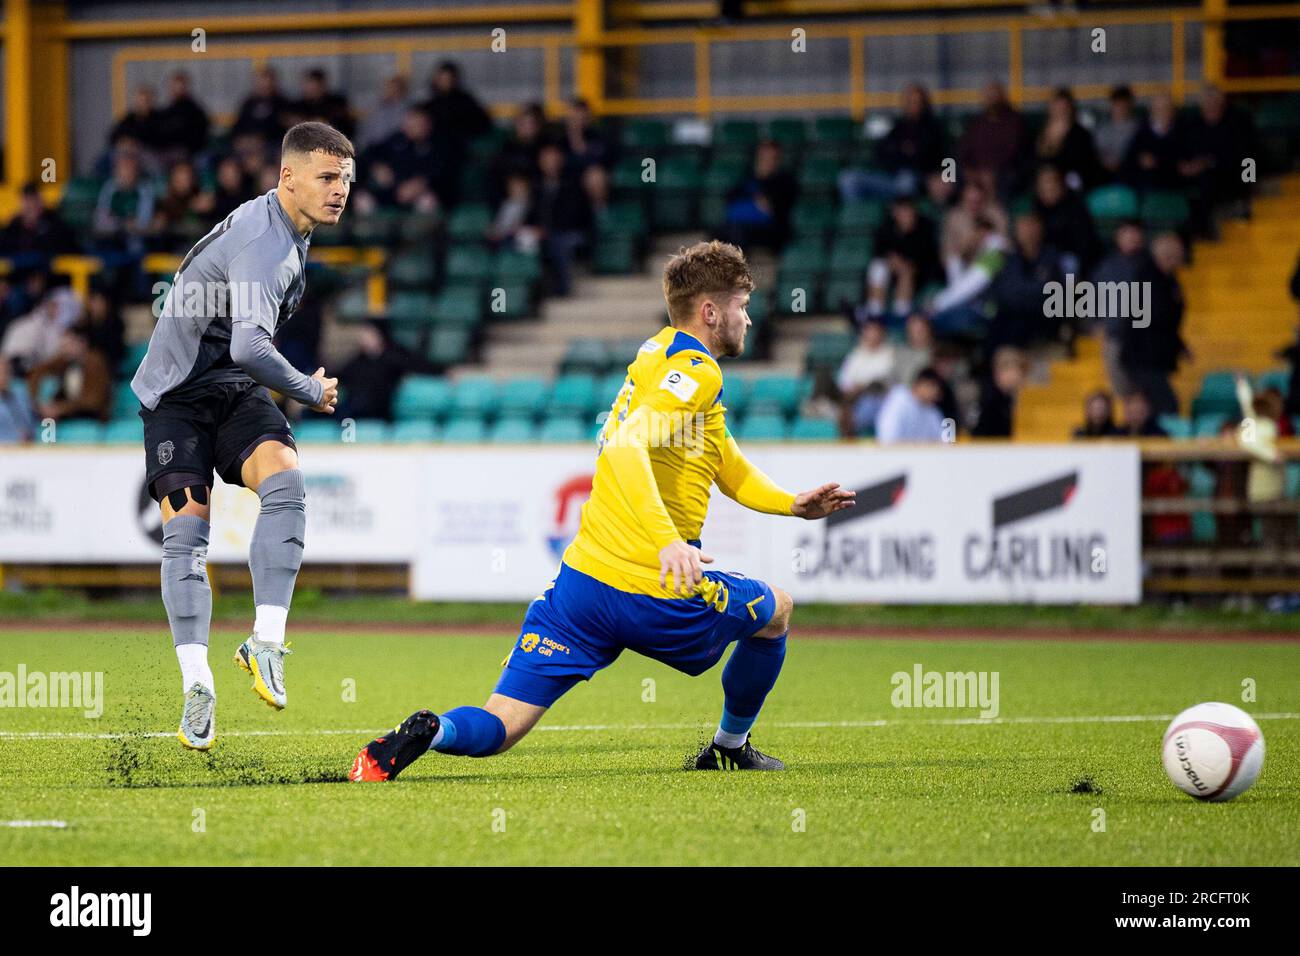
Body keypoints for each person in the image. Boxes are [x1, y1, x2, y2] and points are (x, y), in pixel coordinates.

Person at [350, 240, 856, 780]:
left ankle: (432, 730)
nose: (748, 318)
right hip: (653, 588)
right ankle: (730, 746)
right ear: (711, 311)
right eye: (741, 305)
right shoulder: (699, 373)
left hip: (583, 586)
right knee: (777, 610)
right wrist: (667, 540)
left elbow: (725, 462)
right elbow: (624, 448)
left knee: (501, 725)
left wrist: (789, 504)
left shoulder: (655, 357)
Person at [129, 122, 351, 751]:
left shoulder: (286, 229)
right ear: (288, 177)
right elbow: (251, 345)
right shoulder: (267, 243)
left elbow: (242, 351)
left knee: (285, 479)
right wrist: (309, 388)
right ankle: (197, 686)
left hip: (231, 390)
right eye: (327, 178)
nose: (339, 192)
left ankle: (266, 642)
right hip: (176, 397)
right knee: (187, 534)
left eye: (345, 181)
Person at [25, 325, 111, 423]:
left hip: (92, 418)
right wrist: (40, 404)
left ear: (82, 343)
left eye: (68, 345)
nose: (64, 350)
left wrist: (60, 409)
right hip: (68, 417)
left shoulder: (95, 363)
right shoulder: (65, 361)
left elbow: (93, 402)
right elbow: (38, 372)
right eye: (63, 346)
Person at [835, 317, 896, 437]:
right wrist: (850, 388)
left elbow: (882, 377)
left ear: (882, 334)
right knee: (823, 378)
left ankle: (850, 423)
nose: (872, 335)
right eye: (869, 331)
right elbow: (844, 378)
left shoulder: (890, 353)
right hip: (851, 395)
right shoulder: (855, 354)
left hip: (874, 394)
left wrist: (860, 385)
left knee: (871, 392)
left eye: (875, 332)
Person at [874, 367, 948, 443]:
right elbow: (887, 437)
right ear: (921, 384)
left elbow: (944, 440)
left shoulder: (932, 410)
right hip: (898, 453)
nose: (936, 393)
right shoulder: (899, 400)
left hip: (922, 454)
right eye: (933, 386)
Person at [970, 346, 1028, 438]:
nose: (1003, 375)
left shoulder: (1030, 399)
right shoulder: (988, 401)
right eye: (1000, 369)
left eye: (1009, 368)